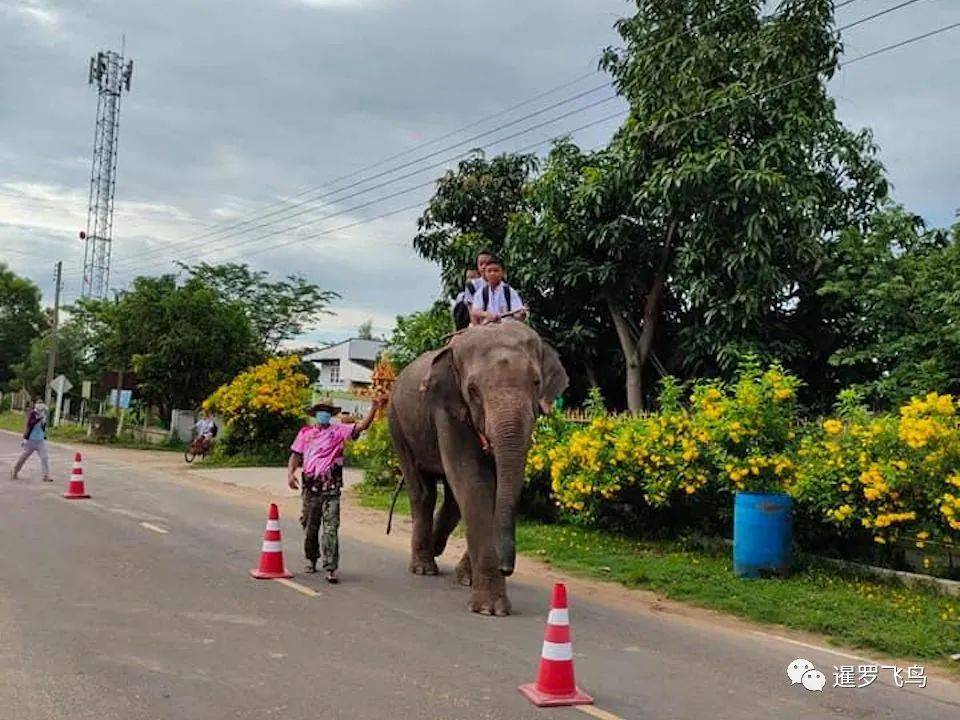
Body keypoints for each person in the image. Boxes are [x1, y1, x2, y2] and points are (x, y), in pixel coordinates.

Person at [287, 395, 387, 583]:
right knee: (310, 526)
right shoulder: (305, 433)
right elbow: (296, 455)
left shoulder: (339, 431)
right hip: (311, 488)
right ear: (315, 413)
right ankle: (311, 559)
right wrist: (290, 474)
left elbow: (362, 426)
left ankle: (331, 567)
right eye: (320, 410)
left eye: (326, 411)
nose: (323, 414)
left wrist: (373, 408)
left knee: (331, 528)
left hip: (331, 488)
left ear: (331, 414)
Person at [470, 255, 528, 325]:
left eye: (496, 270)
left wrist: (521, 314)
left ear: (503, 273)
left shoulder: (509, 291)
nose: (492, 273)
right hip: (486, 327)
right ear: (485, 273)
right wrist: (487, 315)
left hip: (507, 327)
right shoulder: (481, 292)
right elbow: (475, 311)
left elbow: (517, 313)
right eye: (489, 271)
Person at [11, 397, 52, 482]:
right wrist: (39, 418)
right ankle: (15, 471)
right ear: (36, 404)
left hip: (40, 440)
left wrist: (43, 419)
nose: (40, 405)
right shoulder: (32, 413)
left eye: (41, 403)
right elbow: (30, 423)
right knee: (24, 457)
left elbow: (43, 426)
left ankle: (46, 475)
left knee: (44, 457)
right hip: (31, 440)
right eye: (38, 403)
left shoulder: (43, 414)